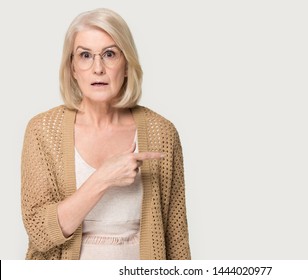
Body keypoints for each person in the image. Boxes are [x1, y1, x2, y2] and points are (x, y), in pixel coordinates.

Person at [21, 8, 190, 260]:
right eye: (85, 55)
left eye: (109, 54)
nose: (98, 68)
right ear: (72, 68)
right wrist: (102, 179)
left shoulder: (161, 132)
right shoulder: (43, 131)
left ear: (126, 64)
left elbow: (176, 239)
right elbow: (40, 233)